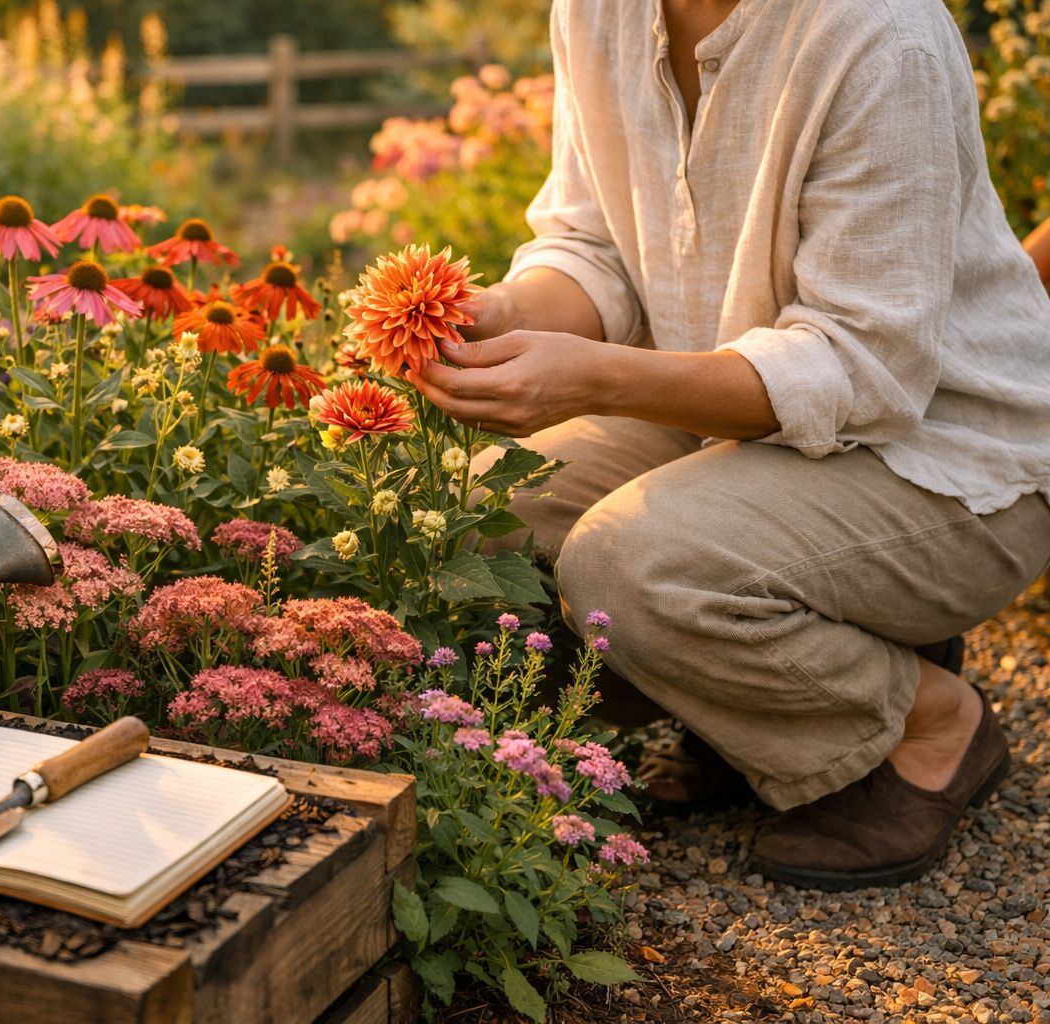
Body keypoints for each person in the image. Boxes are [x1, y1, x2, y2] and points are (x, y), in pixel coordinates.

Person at [410, 0, 1050, 891]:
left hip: (948, 456)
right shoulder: (598, 11)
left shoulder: (880, 33)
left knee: (634, 567)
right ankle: (759, 698)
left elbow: (865, 369)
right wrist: (508, 314)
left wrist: (593, 378)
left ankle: (932, 720)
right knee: (480, 512)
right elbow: (592, 245)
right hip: (737, 408)